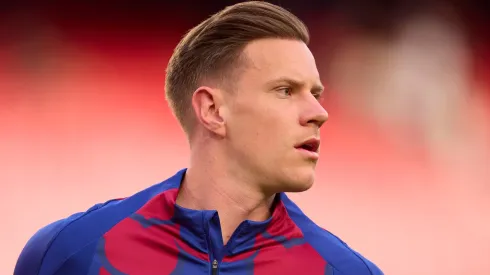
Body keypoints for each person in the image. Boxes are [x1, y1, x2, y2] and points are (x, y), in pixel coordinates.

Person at [14, 2, 383, 274]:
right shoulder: (69, 253)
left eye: (316, 94)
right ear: (212, 111)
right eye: (286, 90)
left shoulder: (345, 270)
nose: (319, 112)